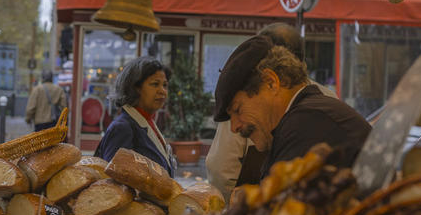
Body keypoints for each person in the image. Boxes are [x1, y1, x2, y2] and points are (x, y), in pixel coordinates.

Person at [213, 36, 370, 184]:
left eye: (238, 109)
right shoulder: (308, 114)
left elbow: (280, 208)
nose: (234, 127)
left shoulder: (307, 122)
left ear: (271, 83)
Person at [207, 23, 338, 200]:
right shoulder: (324, 98)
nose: (235, 126)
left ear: (271, 79)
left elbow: (220, 170)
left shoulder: (299, 114)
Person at [94, 56, 176, 177]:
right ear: (135, 88)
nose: (162, 91)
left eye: (165, 85)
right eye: (155, 84)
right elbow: (111, 183)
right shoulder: (122, 128)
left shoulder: (148, 122)